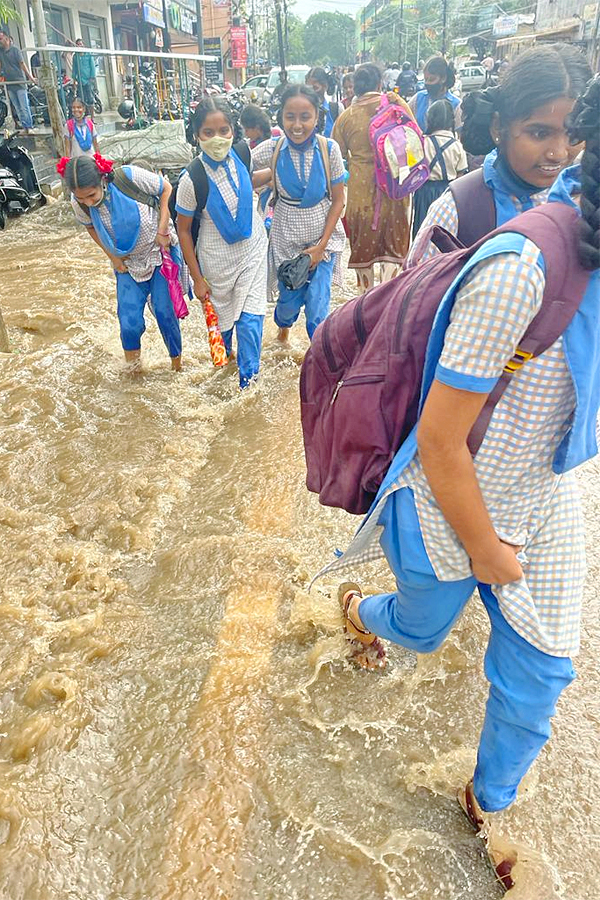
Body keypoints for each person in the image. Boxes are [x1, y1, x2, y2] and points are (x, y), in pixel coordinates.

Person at [332, 74, 600, 890]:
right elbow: (438, 419)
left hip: (547, 492)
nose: (555, 152)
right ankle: (354, 609)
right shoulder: (512, 256)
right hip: (456, 489)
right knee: (418, 633)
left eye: (569, 136)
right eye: (536, 132)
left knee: (544, 673)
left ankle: (486, 805)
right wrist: (484, 546)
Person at [408, 44, 592, 264]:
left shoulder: (588, 203)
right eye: (540, 133)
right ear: (498, 127)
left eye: (574, 135)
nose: (558, 153)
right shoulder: (456, 213)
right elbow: (416, 295)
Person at [176, 98, 268, 388]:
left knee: (251, 326)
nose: (218, 139)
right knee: (224, 334)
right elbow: (184, 231)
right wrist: (197, 279)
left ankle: (248, 391)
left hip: (251, 253)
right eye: (208, 133)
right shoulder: (192, 179)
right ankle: (226, 371)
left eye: (224, 130)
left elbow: (245, 185)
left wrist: (278, 178)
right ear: (197, 135)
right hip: (216, 267)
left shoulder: (243, 155)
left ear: (233, 131)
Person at [61, 154, 183, 371]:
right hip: (127, 263)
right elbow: (90, 227)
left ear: (102, 179)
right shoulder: (78, 202)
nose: (88, 202)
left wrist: (163, 227)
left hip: (157, 253)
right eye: (82, 199)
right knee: (129, 323)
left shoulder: (129, 176)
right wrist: (113, 257)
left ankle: (177, 366)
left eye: (91, 195)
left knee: (165, 313)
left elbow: (165, 189)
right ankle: (133, 372)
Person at [251, 84, 346, 343]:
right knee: (287, 307)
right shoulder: (272, 148)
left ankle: (318, 366)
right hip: (286, 241)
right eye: (290, 117)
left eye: (305, 117)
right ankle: (282, 332)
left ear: (317, 117)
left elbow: (338, 201)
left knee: (317, 311)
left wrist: (321, 246)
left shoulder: (330, 149)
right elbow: (238, 167)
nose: (297, 125)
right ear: (281, 116)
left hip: (323, 241)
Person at [332, 64, 413, 290]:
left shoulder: (346, 118)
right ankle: (387, 299)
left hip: (361, 194)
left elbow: (335, 157)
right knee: (393, 253)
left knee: (364, 253)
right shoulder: (397, 106)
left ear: (355, 87)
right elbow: (414, 138)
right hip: (395, 189)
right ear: (379, 84)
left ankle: (366, 302)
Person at [412, 99, 467, 237]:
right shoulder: (457, 146)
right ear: (451, 121)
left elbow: (413, 169)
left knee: (422, 232)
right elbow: (461, 176)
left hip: (423, 192)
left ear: (429, 119)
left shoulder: (422, 142)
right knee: (445, 234)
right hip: (447, 192)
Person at [410, 56, 460, 132]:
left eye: (431, 79)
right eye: (425, 80)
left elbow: (458, 135)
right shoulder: (418, 99)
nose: (427, 83)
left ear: (443, 78)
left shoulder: (457, 105)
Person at [0, 29, 35, 134]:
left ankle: (30, 126)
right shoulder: (1, 52)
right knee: (17, 107)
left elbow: (22, 64)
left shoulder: (15, 50)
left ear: (6, 38)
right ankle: (25, 127)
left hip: (19, 82)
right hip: (9, 84)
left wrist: (31, 78)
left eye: (0, 38)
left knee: (24, 106)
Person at [306, 66, 340, 138]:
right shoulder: (301, 110)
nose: (311, 92)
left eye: (315, 88)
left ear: (325, 86)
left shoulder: (336, 109)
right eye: (308, 88)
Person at [72, 39, 96, 116]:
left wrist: (92, 77)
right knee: (81, 99)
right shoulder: (75, 56)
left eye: (81, 44)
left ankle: (92, 117)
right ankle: (83, 117)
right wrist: (74, 79)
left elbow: (92, 66)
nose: (80, 46)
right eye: (78, 44)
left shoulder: (88, 54)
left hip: (88, 79)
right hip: (80, 80)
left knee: (90, 98)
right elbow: (74, 68)